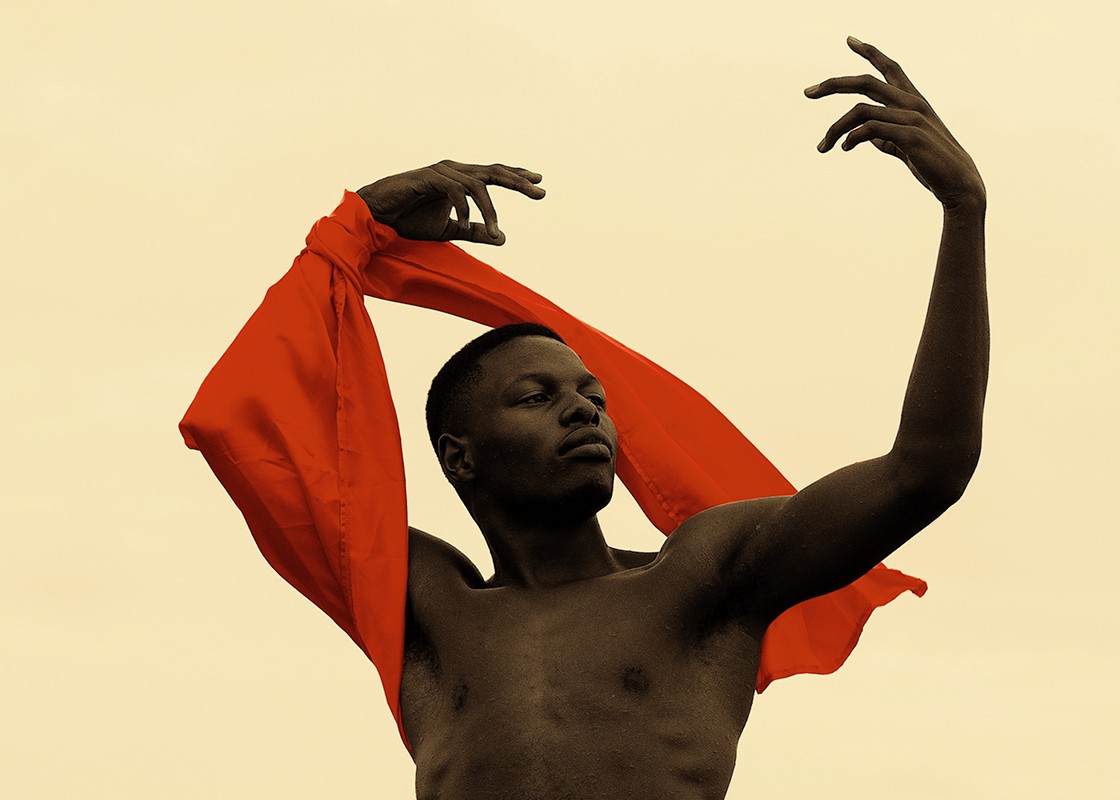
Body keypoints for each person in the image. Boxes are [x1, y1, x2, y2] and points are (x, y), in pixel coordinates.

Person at [181, 37, 986, 800]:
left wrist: (963, 213)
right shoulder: (422, 607)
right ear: (460, 457)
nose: (582, 410)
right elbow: (242, 429)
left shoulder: (700, 578)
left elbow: (926, 470)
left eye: (593, 398)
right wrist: (355, 226)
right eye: (538, 398)